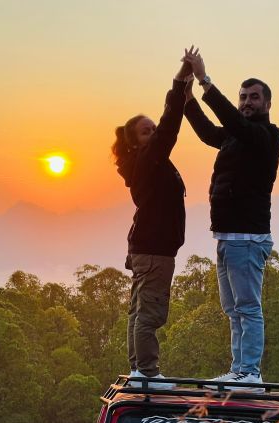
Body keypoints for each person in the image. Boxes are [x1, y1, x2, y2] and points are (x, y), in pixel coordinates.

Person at [182, 50, 279, 390]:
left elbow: (234, 123)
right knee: (233, 309)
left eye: (254, 97)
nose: (246, 102)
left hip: (248, 238)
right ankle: (239, 369)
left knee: (248, 307)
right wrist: (187, 101)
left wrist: (205, 82)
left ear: (267, 104)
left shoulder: (267, 137)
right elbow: (209, 131)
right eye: (243, 97)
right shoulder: (235, 137)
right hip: (226, 236)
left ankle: (250, 372)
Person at [112, 49, 195, 389]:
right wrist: (180, 80)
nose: (154, 132)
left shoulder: (147, 162)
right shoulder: (148, 159)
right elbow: (170, 125)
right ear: (136, 143)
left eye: (152, 130)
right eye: (146, 131)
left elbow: (166, 128)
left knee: (139, 311)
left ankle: (138, 370)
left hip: (147, 246)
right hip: (155, 248)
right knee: (150, 312)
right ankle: (147, 373)